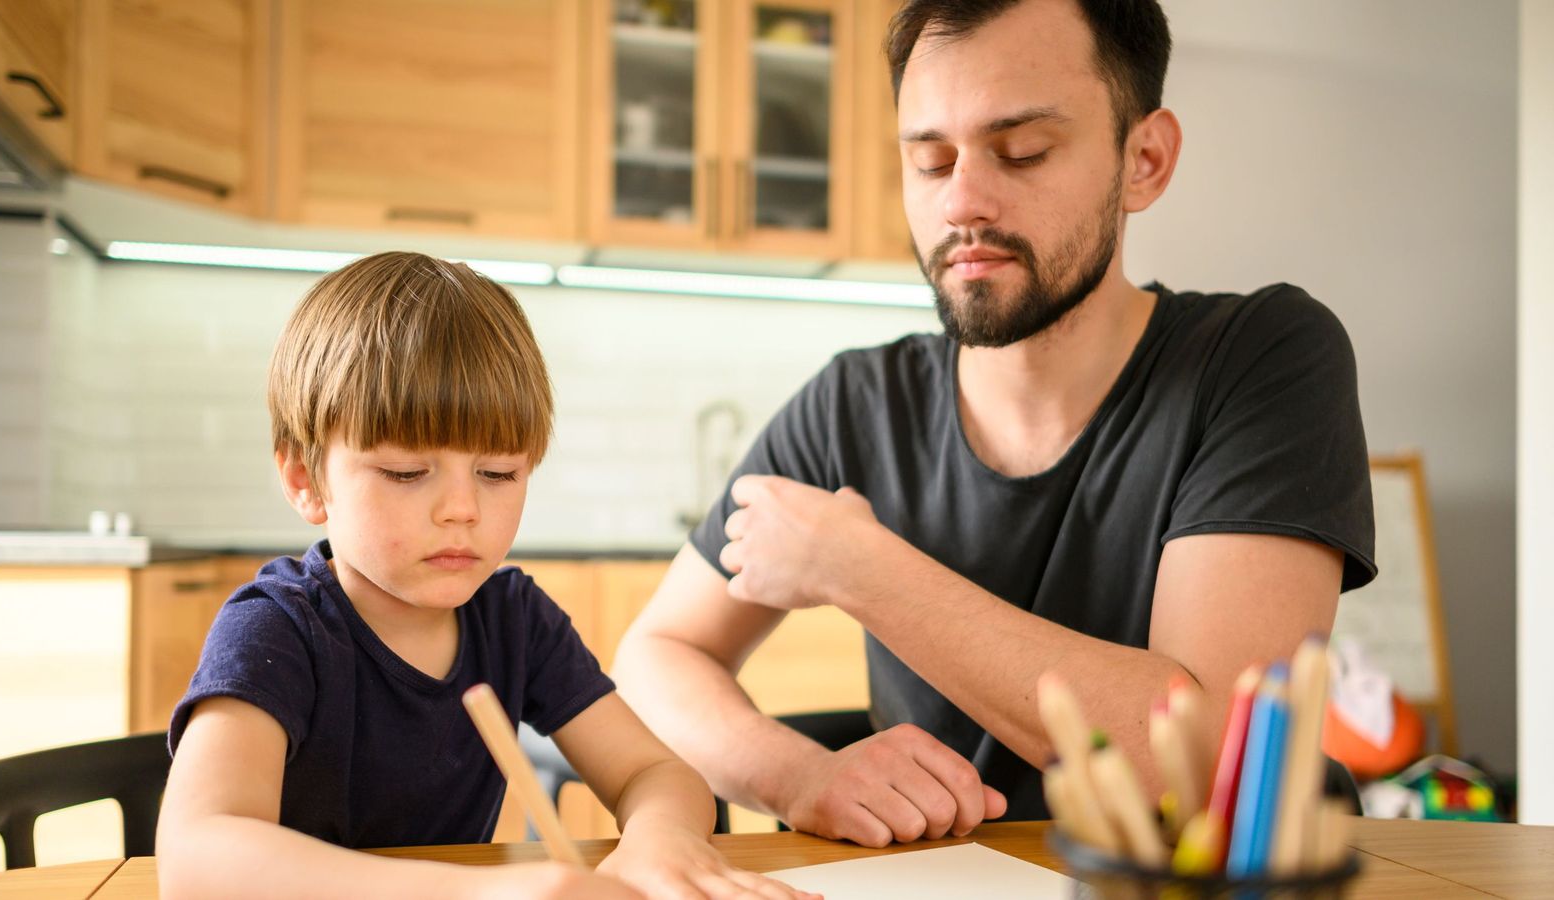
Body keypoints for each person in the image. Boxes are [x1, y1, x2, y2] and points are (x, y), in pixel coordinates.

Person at [613, 0, 1375, 849]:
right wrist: (799, 776)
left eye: (1023, 152)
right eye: (931, 162)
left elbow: (1202, 767)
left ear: (1145, 160)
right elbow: (655, 656)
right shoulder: (852, 405)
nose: (963, 202)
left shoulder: (1260, 358)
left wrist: (860, 569)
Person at [157, 252, 810, 900]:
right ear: (307, 481)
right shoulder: (276, 628)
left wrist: (658, 840)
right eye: (407, 473)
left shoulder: (514, 620)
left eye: (498, 473)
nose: (463, 510)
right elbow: (196, 857)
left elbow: (656, 771)